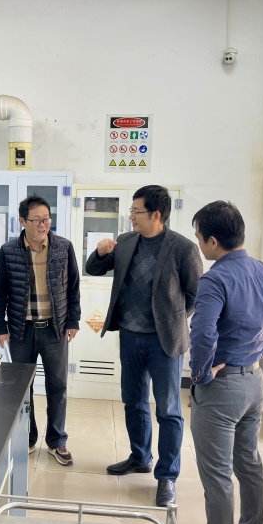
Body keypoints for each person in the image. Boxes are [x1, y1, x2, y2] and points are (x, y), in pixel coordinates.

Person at [186, 201, 263, 524]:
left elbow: (202, 332)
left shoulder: (215, 279)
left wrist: (201, 375)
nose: (199, 243)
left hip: (222, 388)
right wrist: (261, 348)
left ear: (213, 241)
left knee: (217, 476)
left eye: (199, 237)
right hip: (254, 383)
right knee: (248, 463)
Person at [85, 185, 202, 507]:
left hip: (164, 341)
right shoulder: (125, 242)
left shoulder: (183, 248)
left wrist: (171, 319)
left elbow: (195, 296)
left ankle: (167, 477)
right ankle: (140, 457)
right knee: (133, 402)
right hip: (129, 336)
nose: (131, 216)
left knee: (168, 410)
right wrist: (100, 252)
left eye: (136, 211)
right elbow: (93, 269)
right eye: (131, 211)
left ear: (156, 215)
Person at [0, 195, 81, 466]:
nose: (43, 225)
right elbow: (1, 291)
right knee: (22, 388)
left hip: (55, 329)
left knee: (58, 386)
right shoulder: (9, 250)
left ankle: (57, 441)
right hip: (21, 331)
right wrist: (0, 326)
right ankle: (28, 437)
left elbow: (74, 286)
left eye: (46, 219)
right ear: (22, 221)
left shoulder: (63, 247)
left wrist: (73, 321)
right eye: (36, 220)